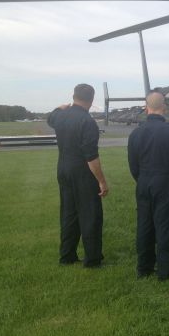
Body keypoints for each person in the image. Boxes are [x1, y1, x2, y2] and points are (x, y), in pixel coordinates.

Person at [128, 91, 169, 281]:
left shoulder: (135, 133)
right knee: (165, 224)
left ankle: (144, 267)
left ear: (147, 108)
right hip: (163, 182)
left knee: (144, 224)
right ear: (163, 108)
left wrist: (141, 179)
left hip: (144, 182)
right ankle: (166, 270)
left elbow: (133, 164)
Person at [48, 83, 108, 267]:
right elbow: (91, 156)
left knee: (68, 213)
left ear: (73, 96)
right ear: (91, 100)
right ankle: (92, 259)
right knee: (90, 214)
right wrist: (102, 181)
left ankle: (67, 255)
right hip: (81, 172)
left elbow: (50, 119)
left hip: (63, 169)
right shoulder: (87, 122)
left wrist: (60, 107)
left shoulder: (60, 116)